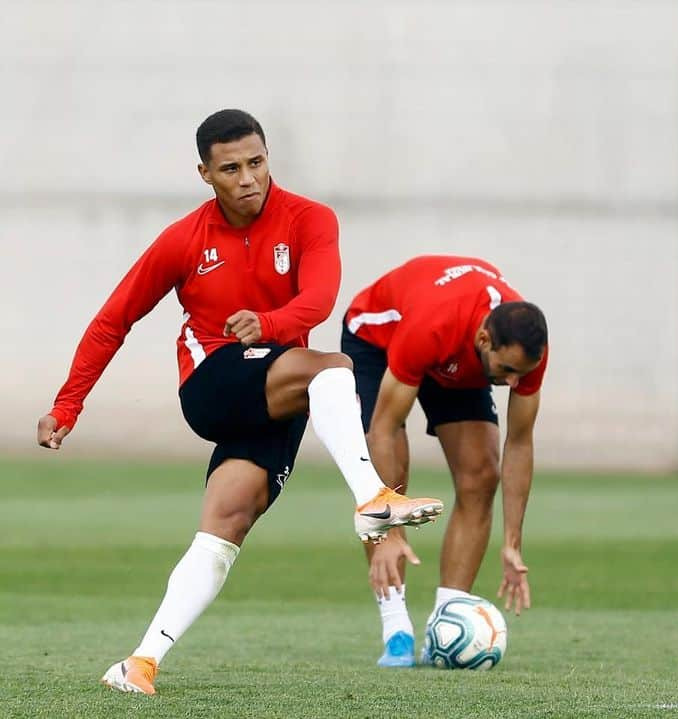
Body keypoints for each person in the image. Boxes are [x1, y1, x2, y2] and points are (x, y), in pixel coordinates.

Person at [36, 109, 444, 695]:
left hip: (276, 391)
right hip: (212, 383)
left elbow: (320, 299)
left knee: (227, 524)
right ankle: (372, 499)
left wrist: (271, 323)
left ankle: (139, 664)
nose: (248, 177)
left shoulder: (310, 218)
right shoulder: (184, 239)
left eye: (257, 162)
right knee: (335, 368)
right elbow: (113, 321)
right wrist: (67, 406)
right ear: (205, 174)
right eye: (231, 168)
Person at [340, 255, 548, 667]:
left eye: (520, 375)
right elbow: (383, 428)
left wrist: (511, 543)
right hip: (378, 339)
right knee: (390, 461)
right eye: (507, 371)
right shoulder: (433, 324)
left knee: (481, 475)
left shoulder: (524, 357)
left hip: (459, 359)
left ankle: (445, 622)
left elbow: (520, 444)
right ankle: (395, 626)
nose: (513, 384)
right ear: (486, 340)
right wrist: (393, 528)